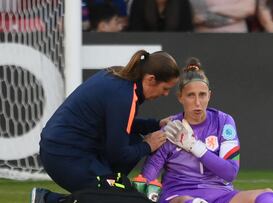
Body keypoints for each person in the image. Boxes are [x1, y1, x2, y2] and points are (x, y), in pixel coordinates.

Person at [30, 50, 180, 203]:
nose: (166, 94)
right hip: (64, 156)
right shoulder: (124, 96)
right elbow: (119, 154)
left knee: (124, 184)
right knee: (126, 196)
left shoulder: (122, 80)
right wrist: (148, 145)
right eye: (165, 88)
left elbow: (119, 126)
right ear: (151, 79)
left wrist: (156, 125)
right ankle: (51, 200)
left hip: (73, 151)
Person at [136, 57, 273, 203]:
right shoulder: (172, 128)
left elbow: (230, 173)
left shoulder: (224, 122)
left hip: (220, 194)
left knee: (266, 195)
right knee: (184, 201)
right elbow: (147, 177)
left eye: (202, 95)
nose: (197, 103)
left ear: (209, 96)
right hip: (178, 194)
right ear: (180, 97)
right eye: (190, 95)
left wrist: (194, 146)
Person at [190, 0, 255, 33]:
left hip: (238, 40)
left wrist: (211, 10)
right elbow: (195, 16)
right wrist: (233, 17)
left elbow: (248, 9)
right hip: (202, 41)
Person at [127, 0, 193, 32]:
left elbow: (186, 31)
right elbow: (135, 30)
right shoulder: (139, 2)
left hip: (176, 45)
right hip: (146, 47)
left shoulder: (183, 3)